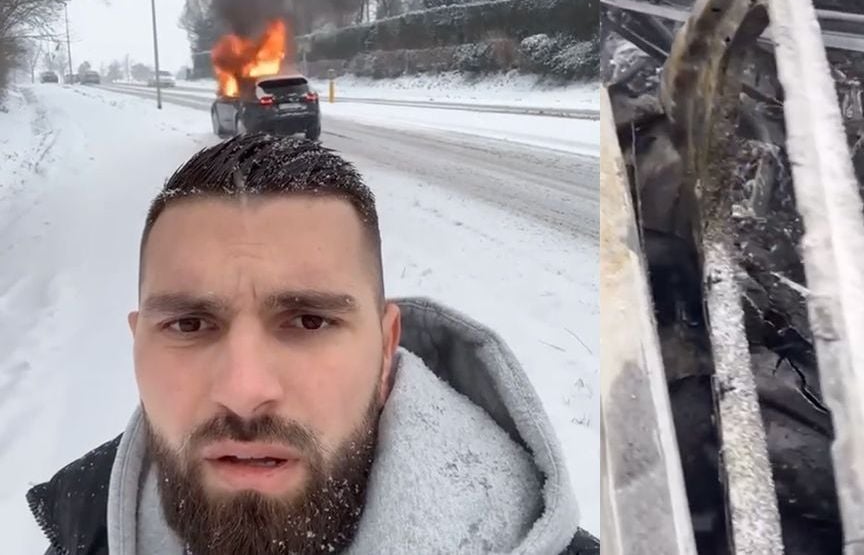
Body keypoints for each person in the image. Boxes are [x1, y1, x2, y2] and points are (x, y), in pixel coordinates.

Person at [26, 133, 598, 555]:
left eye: (308, 321)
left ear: (384, 350)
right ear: (137, 347)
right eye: (189, 325)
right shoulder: (82, 530)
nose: (244, 391)